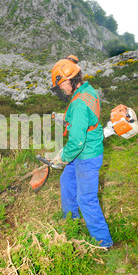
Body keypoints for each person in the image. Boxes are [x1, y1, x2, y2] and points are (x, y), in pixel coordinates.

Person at [50, 55, 114, 248]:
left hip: (85, 154)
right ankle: (71, 223)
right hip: (83, 151)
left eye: (60, 85)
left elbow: (77, 142)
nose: (60, 89)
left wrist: (61, 158)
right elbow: (84, 117)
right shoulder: (87, 90)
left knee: (86, 199)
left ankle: (104, 242)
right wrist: (63, 117)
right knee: (67, 182)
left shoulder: (78, 103)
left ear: (69, 80)